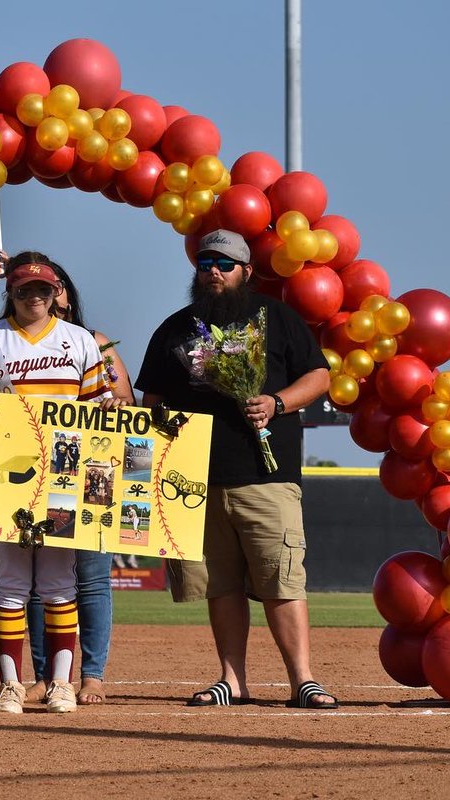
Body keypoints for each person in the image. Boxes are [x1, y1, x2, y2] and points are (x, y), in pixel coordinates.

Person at [136, 228, 335, 709]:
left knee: (281, 580)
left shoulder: (278, 318)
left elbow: (320, 375)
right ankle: (232, 679)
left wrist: (277, 402)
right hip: (196, 482)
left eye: (224, 264)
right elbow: (153, 401)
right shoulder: (175, 328)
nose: (213, 272)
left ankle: (302, 680)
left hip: (267, 478)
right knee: (219, 585)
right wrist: (165, 433)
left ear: (246, 271)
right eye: (205, 263)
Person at [0, 253, 122, 714]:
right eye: (23, 289)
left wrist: (109, 410)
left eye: (42, 289)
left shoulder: (79, 341)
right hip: (5, 464)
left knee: (59, 580)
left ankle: (60, 682)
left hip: (65, 466)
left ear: (56, 293)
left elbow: (101, 403)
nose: (33, 297)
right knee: (12, 579)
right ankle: (11, 684)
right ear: (10, 293)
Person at [18, 255, 135, 705]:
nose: (50, 294)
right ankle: (46, 674)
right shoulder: (11, 341)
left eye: (56, 284)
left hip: (91, 470)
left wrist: (113, 405)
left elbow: (124, 400)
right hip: (33, 472)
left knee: (91, 576)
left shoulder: (94, 341)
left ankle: (92, 675)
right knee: (33, 583)